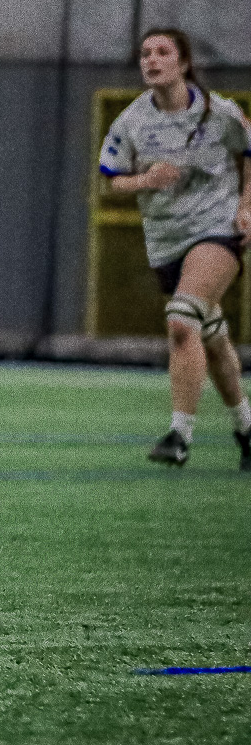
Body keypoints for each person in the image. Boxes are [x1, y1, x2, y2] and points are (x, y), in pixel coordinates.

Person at [99, 28, 251, 470]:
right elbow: (111, 181)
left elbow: (249, 150)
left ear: (183, 63)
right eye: (145, 53)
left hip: (216, 231)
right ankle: (246, 430)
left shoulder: (218, 112)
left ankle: (179, 435)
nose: (152, 60)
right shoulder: (131, 122)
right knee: (211, 333)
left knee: (182, 321)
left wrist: (246, 206)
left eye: (163, 52)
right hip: (165, 241)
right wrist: (146, 180)